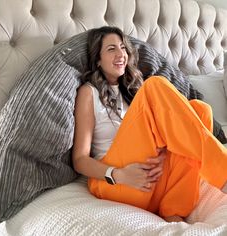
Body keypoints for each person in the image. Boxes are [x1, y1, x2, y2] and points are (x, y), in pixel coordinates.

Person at [72, 26, 227, 222]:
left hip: (150, 181)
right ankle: (223, 171)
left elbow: (148, 138)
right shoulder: (89, 92)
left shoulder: (132, 93)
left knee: (201, 109)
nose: (121, 54)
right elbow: (79, 159)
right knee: (154, 85)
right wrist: (117, 174)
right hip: (116, 182)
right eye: (111, 49)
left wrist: (162, 153)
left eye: (123, 47)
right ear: (97, 59)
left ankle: (174, 209)